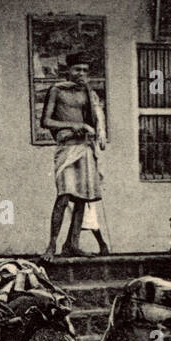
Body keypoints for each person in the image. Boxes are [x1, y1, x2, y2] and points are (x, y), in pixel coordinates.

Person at [41, 52, 109, 260]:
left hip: (85, 148)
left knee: (82, 199)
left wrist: (99, 133)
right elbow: (46, 121)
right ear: (68, 71)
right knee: (64, 196)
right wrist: (74, 125)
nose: (81, 74)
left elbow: (98, 118)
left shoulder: (89, 94)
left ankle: (72, 244)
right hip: (67, 148)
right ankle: (51, 246)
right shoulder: (57, 91)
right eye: (77, 69)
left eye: (85, 70)